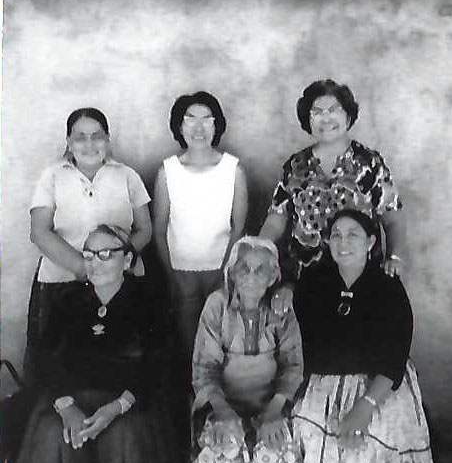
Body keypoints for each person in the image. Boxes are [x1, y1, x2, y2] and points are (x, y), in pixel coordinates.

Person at [14, 225, 180, 463]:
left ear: (126, 260)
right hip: (71, 400)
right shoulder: (67, 299)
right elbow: (44, 358)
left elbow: (157, 363)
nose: (94, 262)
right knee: (51, 431)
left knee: (126, 436)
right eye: (89, 254)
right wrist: (66, 406)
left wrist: (116, 408)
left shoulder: (149, 300)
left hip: (128, 403)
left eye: (105, 254)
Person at [292, 209, 434, 463]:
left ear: (370, 242)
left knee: (373, 449)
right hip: (321, 386)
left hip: (378, 387)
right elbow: (299, 345)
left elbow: (395, 355)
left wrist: (365, 407)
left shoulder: (387, 287)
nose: (343, 243)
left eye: (353, 235)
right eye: (336, 235)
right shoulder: (312, 283)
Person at [26, 108, 152, 384]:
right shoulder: (53, 176)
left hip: (120, 283)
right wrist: (85, 267)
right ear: (68, 141)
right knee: (56, 363)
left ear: (108, 139)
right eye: (80, 137)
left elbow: (145, 230)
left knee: (120, 364)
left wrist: (115, 265)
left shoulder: (127, 175)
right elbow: (39, 231)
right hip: (61, 282)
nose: (89, 143)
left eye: (97, 136)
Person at [259, 79, 405, 311]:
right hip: (302, 280)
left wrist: (394, 257)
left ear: (348, 117)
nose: (325, 118)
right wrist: (257, 250)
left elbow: (392, 217)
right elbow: (277, 219)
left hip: (358, 278)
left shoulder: (370, 163)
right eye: (317, 112)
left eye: (334, 110)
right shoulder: (295, 165)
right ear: (308, 121)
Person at [191, 236, 303, 463]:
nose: (251, 276)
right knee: (220, 455)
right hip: (221, 404)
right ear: (231, 273)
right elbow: (204, 368)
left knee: (276, 457)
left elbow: (292, 366)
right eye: (244, 268)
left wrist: (273, 411)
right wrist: (222, 410)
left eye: (260, 270)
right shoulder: (217, 305)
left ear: (273, 277)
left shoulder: (280, 308)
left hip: (272, 406)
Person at [154, 91, 248, 365]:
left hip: (220, 273)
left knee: (219, 345)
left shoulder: (233, 169)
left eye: (207, 119)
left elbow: (238, 228)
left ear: (217, 125)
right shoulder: (167, 171)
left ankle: (215, 403)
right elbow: (159, 230)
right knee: (187, 347)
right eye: (190, 120)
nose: (199, 128)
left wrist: (224, 275)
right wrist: (171, 275)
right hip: (180, 272)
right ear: (179, 126)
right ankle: (189, 401)